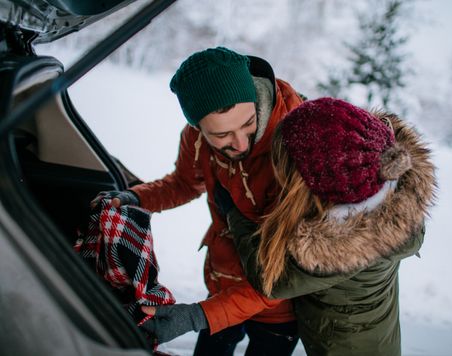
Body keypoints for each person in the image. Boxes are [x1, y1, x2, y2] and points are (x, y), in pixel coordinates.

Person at [93, 46, 304, 354]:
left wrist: (196, 315)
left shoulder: (296, 148)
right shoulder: (195, 140)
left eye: (248, 123)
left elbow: (288, 272)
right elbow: (183, 183)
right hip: (222, 283)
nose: (241, 143)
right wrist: (135, 198)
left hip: (278, 305)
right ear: (198, 128)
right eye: (222, 136)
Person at [215, 97, 437, 356]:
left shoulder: (343, 247)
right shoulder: (385, 187)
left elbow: (271, 280)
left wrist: (234, 215)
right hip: (379, 339)